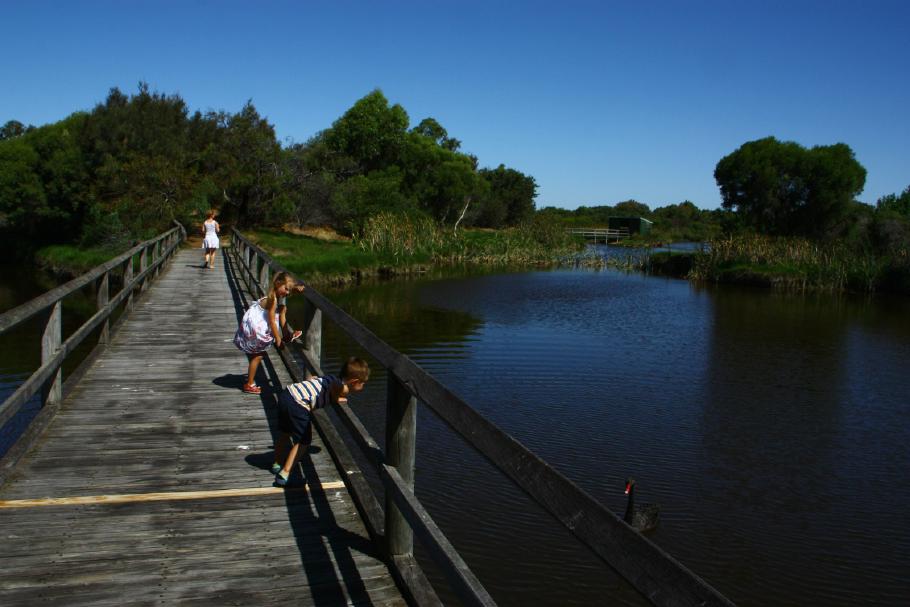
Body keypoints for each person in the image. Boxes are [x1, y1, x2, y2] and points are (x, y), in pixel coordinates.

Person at [272, 357, 370, 487]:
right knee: (304, 441)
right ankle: (284, 475)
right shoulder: (341, 386)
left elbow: (313, 379)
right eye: (363, 383)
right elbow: (337, 387)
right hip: (298, 405)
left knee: (285, 432)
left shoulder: (329, 377)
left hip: (287, 395)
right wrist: (336, 398)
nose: (363, 386)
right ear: (354, 381)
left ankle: (277, 463)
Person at [233, 272, 305, 394]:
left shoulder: (274, 295)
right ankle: (249, 384)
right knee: (257, 356)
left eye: (289, 291)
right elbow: (272, 321)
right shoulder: (272, 300)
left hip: (255, 324)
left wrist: (296, 288)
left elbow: (287, 290)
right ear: (278, 284)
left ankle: (287, 336)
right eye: (286, 289)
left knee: (283, 309)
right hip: (256, 328)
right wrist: (278, 339)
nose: (287, 293)